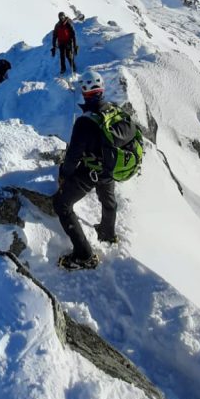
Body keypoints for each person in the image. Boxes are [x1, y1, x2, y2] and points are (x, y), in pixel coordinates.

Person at [53, 68, 141, 270]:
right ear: (102, 89)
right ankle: (108, 235)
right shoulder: (115, 111)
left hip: (90, 171)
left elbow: (73, 157)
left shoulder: (85, 123)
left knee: (61, 204)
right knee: (108, 202)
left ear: (84, 92)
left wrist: (63, 175)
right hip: (108, 170)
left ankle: (84, 255)